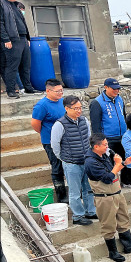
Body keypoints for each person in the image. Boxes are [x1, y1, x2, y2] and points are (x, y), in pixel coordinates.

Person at [85, 134, 131, 262]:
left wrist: (124, 163)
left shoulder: (104, 155)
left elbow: (113, 170)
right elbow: (107, 178)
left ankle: (128, 244)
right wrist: (118, 164)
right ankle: (113, 252)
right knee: (108, 225)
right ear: (96, 147)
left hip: (117, 193)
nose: (108, 147)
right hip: (105, 198)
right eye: (105, 145)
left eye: (107, 144)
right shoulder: (91, 162)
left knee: (123, 219)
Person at [50, 95, 97, 226]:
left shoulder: (84, 120)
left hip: (86, 161)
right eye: (75, 108)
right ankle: (78, 215)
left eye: (80, 108)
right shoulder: (59, 124)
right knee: (75, 192)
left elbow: (88, 138)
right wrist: (64, 158)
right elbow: (55, 145)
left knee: (88, 189)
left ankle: (90, 211)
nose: (79, 111)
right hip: (71, 164)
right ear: (66, 108)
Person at [30, 79, 68, 203]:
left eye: (61, 90)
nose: (60, 93)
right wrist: (46, 133)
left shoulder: (62, 101)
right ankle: (61, 196)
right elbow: (35, 124)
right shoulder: (42, 106)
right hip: (50, 141)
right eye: (57, 91)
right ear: (48, 91)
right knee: (57, 167)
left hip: (66, 139)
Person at [0, 0, 38, 98]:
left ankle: (28, 88)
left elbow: (22, 22)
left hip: (23, 39)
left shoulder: (16, 5)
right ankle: (11, 90)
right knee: (12, 66)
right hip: (12, 40)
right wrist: (6, 39)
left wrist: (27, 38)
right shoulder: (2, 4)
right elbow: (0, 24)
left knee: (26, 65)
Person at [89, 78, 129, 186]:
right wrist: (100, 141)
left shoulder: (119, 99)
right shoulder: (97, 103)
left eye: (118, 89)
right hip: (109, 138)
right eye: (114, 89)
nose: (117, 91)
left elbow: (124, 116)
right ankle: (112, 183)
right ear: (106, 87)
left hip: (123, 136)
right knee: (109, 162)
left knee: (125, 159)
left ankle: (126, 181)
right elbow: (95, 125)